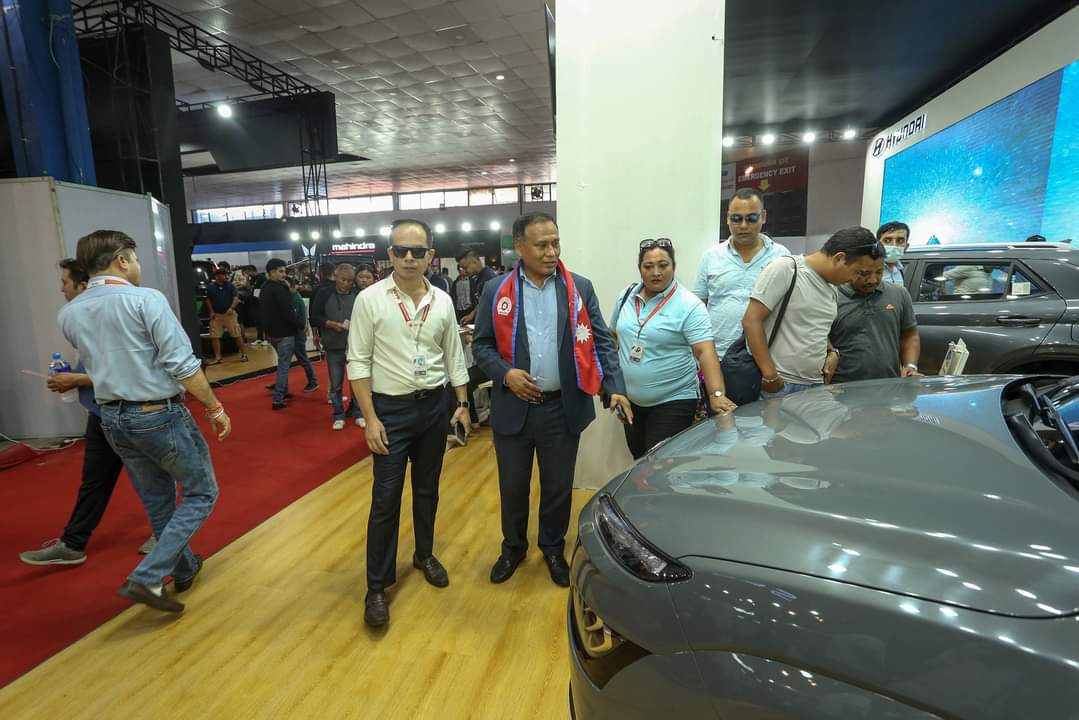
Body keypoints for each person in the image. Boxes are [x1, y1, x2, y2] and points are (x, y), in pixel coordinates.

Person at [59, 230, 231, 613]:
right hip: (157, 413)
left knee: (157, 500)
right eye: (135, 258)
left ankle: (183, 568)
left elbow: (102, 365)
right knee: (202, 492)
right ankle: (148, 576)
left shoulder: (69, 313)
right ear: (122, 260)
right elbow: (182, 364)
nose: (138, 265)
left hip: (111, 418)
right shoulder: (146, 299)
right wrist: (214, 407)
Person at [472, 212, 630, 588]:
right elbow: (481, 345)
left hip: (562, 407)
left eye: (555, 243)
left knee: (558, 486)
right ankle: (513, 548)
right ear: (520, 247)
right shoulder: (496, 290)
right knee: (513, 486)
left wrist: (615, 386)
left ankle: (553, 548)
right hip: (513, 408)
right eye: (541, 245)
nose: (551, 251)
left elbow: (601, 340)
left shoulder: (579, 288)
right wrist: (506, 374)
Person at [347, 219, 472, 628]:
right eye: (400, 250)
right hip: (390, 411)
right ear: (389, 254)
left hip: (434, 407)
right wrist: (370, 419)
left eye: (417, 251)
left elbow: (453, 355)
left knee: (427, 488)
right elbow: (357, 362)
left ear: (430, 256)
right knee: (385, 499)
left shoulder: (442, 301)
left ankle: (424, 554)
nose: (408, 258)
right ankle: (377, 586)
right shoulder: (369, 300)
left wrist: (462, 403)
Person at [20, 260, 155, 567]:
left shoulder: (116, 319)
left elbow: (127, 372)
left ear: (83, 286)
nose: (61, 289)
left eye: (65, 283)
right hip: (100, 414)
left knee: (151, 479)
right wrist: (75, 380)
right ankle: (73, 543)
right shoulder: (82, 321)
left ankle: (167, 535)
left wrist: (77, 380)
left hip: (129, 414)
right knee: (94, 481)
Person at [612, 239, 737, 459]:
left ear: (674, 266)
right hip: (630, 400)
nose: (656, 272)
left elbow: (705, 352)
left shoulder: (689, 305)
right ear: (640, 268)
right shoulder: (626, 296)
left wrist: (716, 394)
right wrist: (611, 385)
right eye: (648, 266)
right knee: (638, 460)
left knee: (658, 464)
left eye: (663, 265)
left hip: (673, 400)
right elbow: (613, 337)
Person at [743, 227, 885, 398]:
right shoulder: (788, 268)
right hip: (781, 383)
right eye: (858, 272)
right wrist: (770, 374)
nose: (856, 279)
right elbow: (751, 320)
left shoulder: (832, 286)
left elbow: (815, 326)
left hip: (815, 383)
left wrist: (831, 351)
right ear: (839, 258)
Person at [693, 188, 791, 359]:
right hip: (718, 355)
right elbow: (697, 306)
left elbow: (791, 306)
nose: (743, 225)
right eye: (736, 218)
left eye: (751, 218)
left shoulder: (781, 256)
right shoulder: (711, 256)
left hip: (766, 356)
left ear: (763, 217)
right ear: (727, 218)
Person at [830, 253, 921, 383]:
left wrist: (910, 366)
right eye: (864, 273)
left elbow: (909, 335)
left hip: (890, 385)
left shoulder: (899, 294)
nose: (873, 280)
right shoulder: (831, 297)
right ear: (849, 267)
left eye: (879, 272)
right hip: (843, 387)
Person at [311, 263, 363, 430]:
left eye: (350, 280)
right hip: (333, 344)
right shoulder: (324, 293)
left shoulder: (358, 294)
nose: (346, 283)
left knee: (357, 381)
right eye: (343, 280)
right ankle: (338, 415)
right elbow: (314, 317)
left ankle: (359, 413)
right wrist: (331, 324)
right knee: (336, 384)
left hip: (355, 346)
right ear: (335, 276)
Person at [261, 259, 318, 410]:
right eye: (280, 271)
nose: (284, 274)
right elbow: (288, 313)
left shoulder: (264, 287)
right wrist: (301, 325)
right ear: (272, 272)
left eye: (284, 271)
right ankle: (278, 398)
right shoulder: (280, 290)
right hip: (285, 333)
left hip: (272, 333)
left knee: (285, 363)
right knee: (284, 366)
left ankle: (284, 391)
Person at [206, 268, 248, 365]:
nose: (226, 276)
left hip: (229, 315)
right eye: (223, 275)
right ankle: (218, 357)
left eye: (226, 274)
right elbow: (208, 300)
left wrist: (232, 308)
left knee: (237, 335)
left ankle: (244, 355)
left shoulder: (231, 286)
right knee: (214, 336)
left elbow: (235, 298)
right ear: (217, 276)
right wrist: (211, 311)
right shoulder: (211, 287)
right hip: (216, 315)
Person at [456, 249, 499, 324]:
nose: (464, 271)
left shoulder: (489, 279)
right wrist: (472, 315)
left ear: (475, 262)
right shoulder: (478, 278)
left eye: (465, 268)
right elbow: (482, 302)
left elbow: (490, 306)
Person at [309, 262, 336, 354]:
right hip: (344, 327)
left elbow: (312, 314)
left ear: (320, 273)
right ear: (334, 272)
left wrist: (315, 334)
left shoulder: (317, 289)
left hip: (324, 329)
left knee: (330, 355)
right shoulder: (340, 287)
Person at [877, 221, 910, 285]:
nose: (894, 245)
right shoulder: (869, 271)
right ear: (878, 244)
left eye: (900, 241)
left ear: (906, 246)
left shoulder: (899, 269)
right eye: (887, 240)